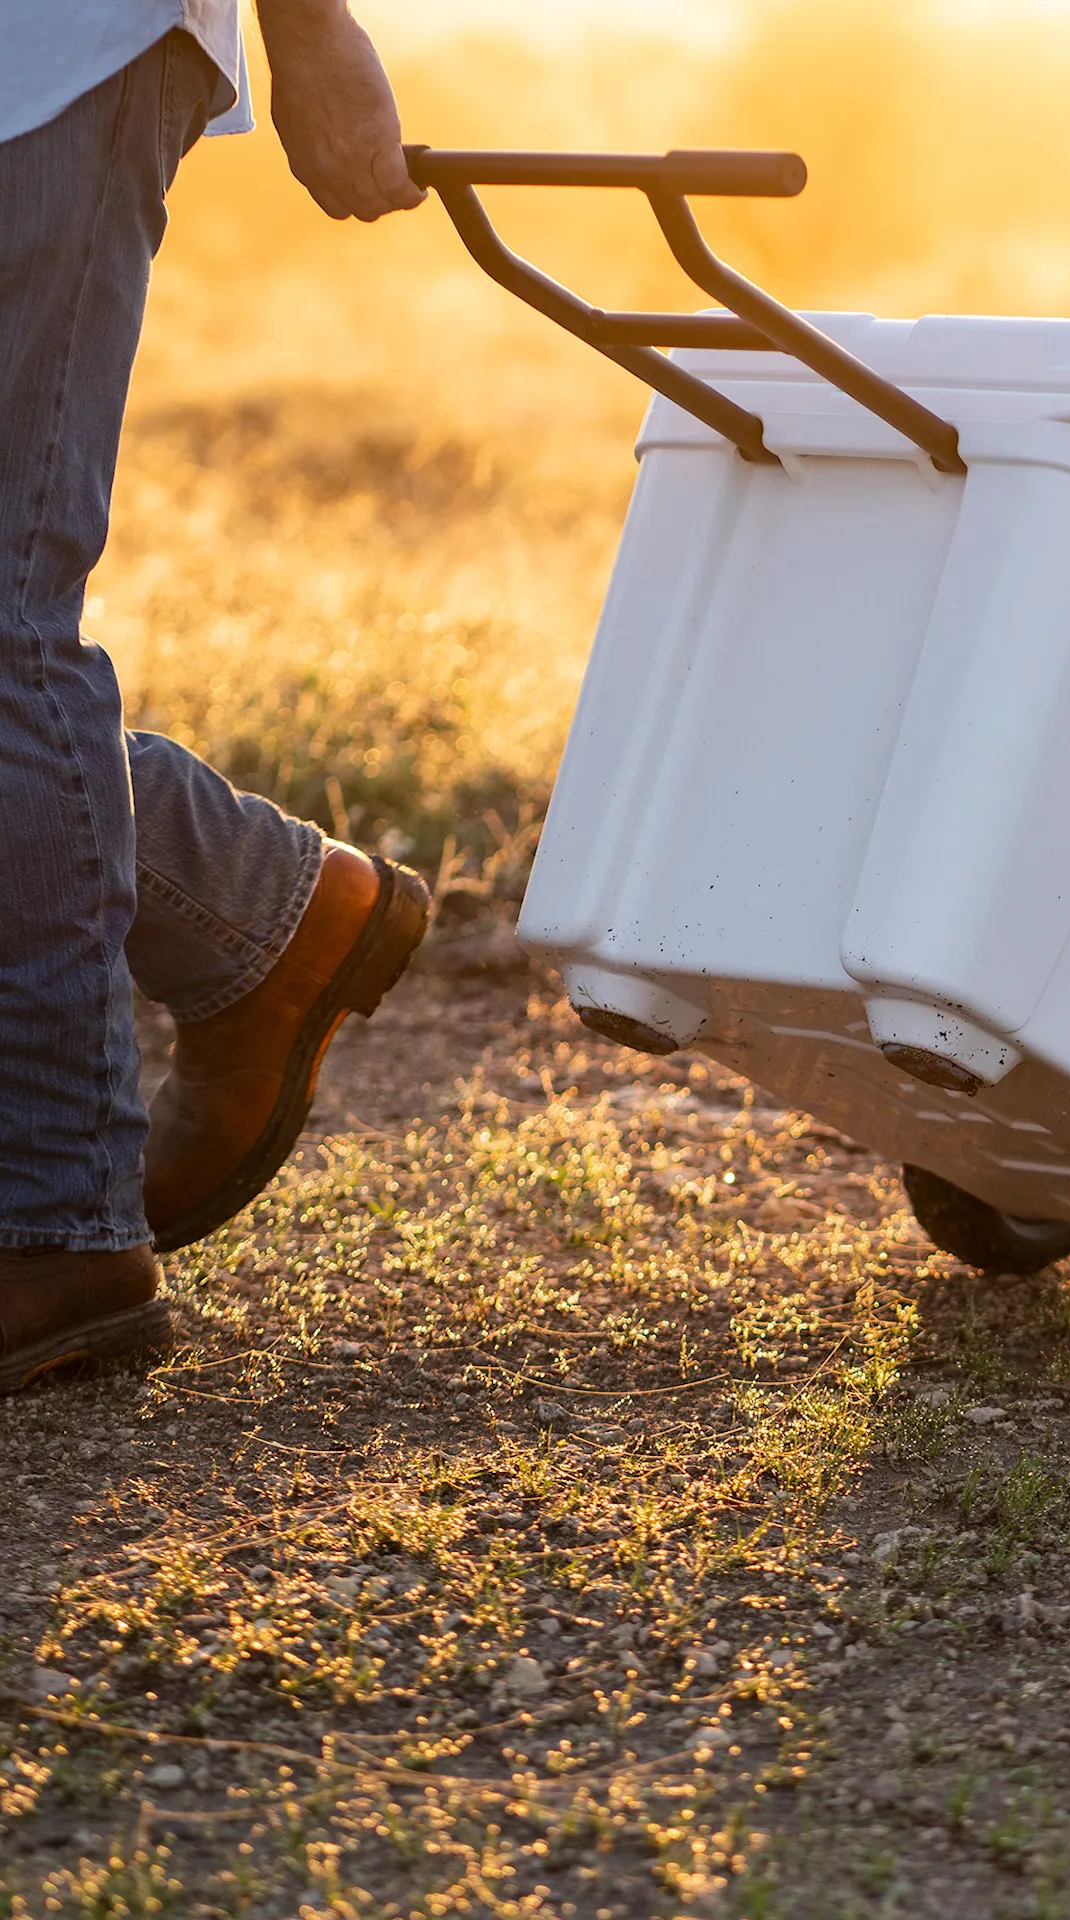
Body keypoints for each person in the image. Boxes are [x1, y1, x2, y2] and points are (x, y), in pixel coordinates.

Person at [0, 0, 430, 1393]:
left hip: (44, 60)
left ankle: (51, 1221)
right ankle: (261, 914)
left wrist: (309, 28)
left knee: (1, 620)